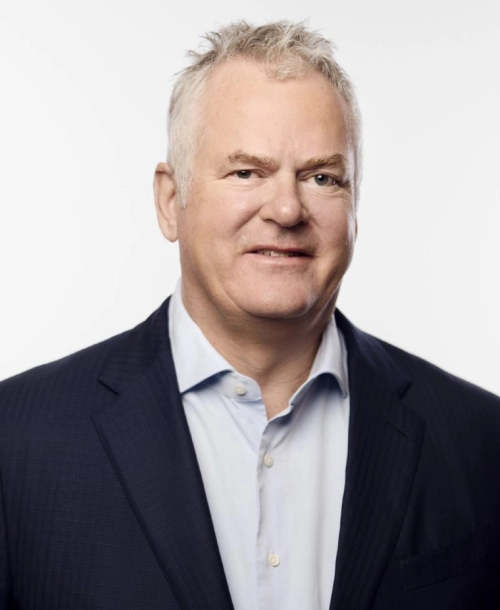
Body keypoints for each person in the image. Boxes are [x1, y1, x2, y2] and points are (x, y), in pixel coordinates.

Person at [0, 20, 499, 610]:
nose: (287, 209)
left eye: (322, 178)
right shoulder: (17, 440)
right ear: (171, 201)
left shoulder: (480, 440)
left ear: (355, 207)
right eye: (246, 172)